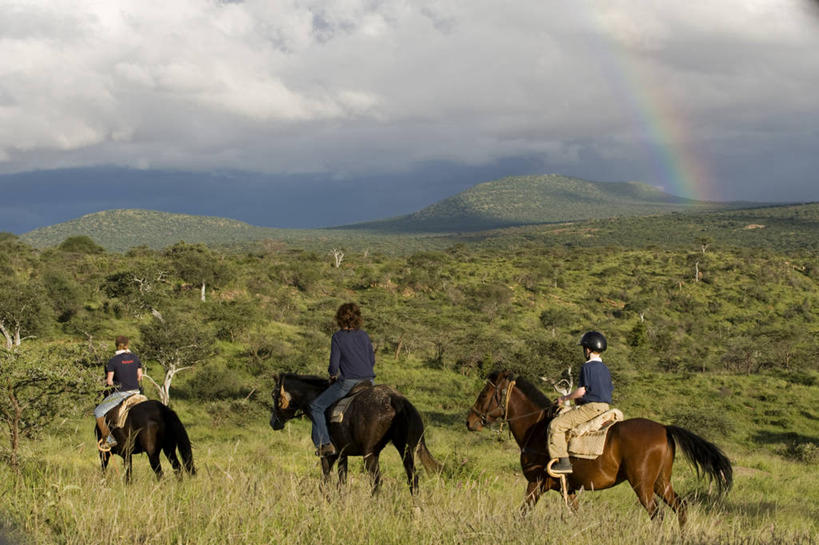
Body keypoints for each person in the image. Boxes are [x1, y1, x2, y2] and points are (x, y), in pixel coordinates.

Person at [308, 302, 376, 457]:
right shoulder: (364, 335)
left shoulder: (337, 337)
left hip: (348, 383)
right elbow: (371, 361)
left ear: (339, 318)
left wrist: (333, 375)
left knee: (316, 407)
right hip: (369, 382)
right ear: (358, 318)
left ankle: (325, 444)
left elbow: (333, 365)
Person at [547, 330, 613, 474]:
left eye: (584, 348)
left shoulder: (587, 366)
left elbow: (582, 391)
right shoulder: (606, 369)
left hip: (591, 408)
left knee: (555, 426)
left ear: (588, 349)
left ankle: (562, 461)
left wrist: (563, 398)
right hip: (605, 407)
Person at [94, 335, 143, 450]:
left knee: (98, 412)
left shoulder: (113, 361)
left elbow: (110, 382)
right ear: (127, 345)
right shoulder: (135, 358)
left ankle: (108, 439)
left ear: (116, 345)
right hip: (136, 392)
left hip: (121, 394)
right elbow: (140, 377)